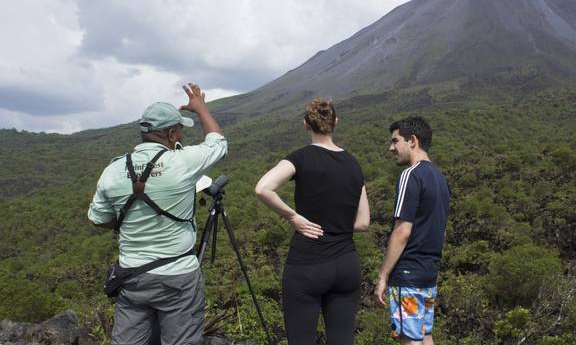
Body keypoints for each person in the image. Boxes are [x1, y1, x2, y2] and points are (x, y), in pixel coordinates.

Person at [88, 83, 227, 345]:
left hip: (132, 275)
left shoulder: (113, 170)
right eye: (180, 130)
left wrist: (131, 220)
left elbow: (99, 218)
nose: (182, 135)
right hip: (178, 275)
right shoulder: (183, 162)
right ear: (171, 132)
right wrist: (201, 108)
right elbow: (218, 142)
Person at [255, 98, 370, 345]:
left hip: (308, 264)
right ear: (336, 122)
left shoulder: (300, 158)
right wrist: (336, 224)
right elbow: (363, 222)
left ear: (305, 124)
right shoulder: (353, 164)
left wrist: (293, 217)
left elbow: (263, 188)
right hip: (346, 265)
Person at [374, 117, 450, 345]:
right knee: (425, 335)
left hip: (408, 275)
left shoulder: (411, 175)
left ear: (413, 140)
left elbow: (402, 231)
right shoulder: (440, 178)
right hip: (428, 274)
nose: (391, 148)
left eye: (395, 141)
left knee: (409, 339)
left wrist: (383, 275)